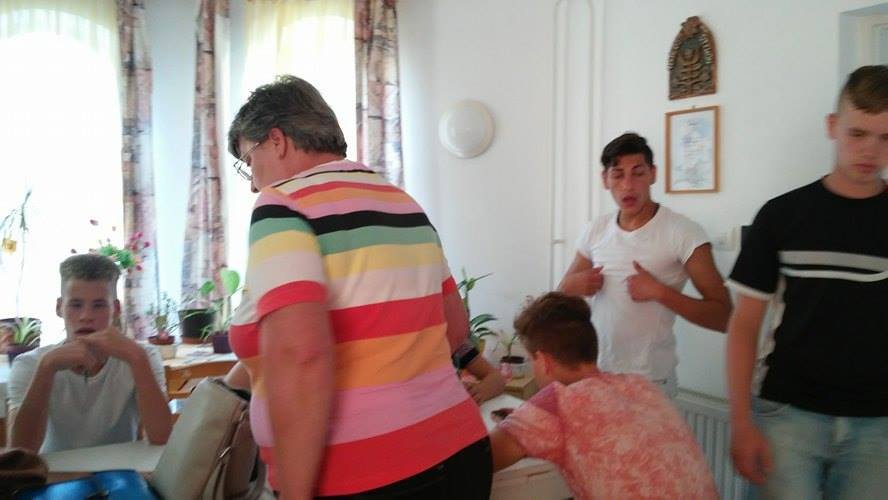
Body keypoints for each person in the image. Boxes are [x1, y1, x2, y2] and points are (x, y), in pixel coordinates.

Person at [226, 75, 490, 499]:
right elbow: (455, 329)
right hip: (461, 452)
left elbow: (301, 355)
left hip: (368, 475)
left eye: (247, 160)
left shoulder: (283, 205)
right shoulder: (403, 203)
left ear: (276, 141)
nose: (253, 182)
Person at [726, 65, 888, 498]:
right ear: (833, 127)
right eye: (858, 133)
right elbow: (744, 325)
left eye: (885, 137)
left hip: (878, 426)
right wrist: (740, 422)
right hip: (788, 415)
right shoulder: (781, 216)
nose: (870, 150)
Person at [488, 292, 717, 499]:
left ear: (544, 361)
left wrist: (524, 425)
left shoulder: (558, 401)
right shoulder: (642, 387)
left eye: (531, 361)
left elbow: (479, 462)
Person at [559, 132, 731, 396]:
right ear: (605, 179)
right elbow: (562, 293)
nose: (628, 185)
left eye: (638, 173)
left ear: (653, 174)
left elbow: (724, 317)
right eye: (618, 175)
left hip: (651, 382)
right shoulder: (596, 229)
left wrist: (660, 292)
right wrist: (572, 285)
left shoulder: (684, 232)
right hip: (597, 373)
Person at [6, 253, 171, 453]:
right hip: (54, 469)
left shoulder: (142, 356)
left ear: (115, 309)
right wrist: (46, 369)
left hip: (120, 467)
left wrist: (138, 359)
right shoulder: (30, 364)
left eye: (99, 305)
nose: (86, 316)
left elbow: (162, 437)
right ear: (59, 308)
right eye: (76, 305)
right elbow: (20, 451)